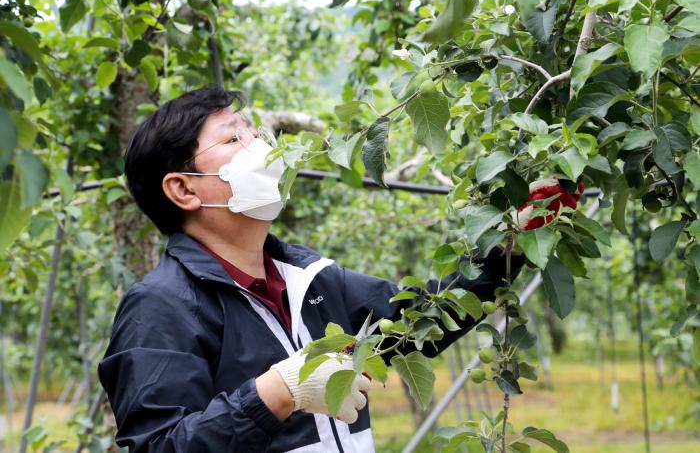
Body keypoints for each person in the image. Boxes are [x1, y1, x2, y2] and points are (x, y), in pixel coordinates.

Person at [98, 86, 527, 453]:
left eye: (255, 133)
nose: (261, 147)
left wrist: (509, 244)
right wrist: (278, 392)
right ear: (183, 189)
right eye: (233, 139)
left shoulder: (307, 277)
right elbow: (162, 444)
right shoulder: (161, 307)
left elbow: (418, 323)